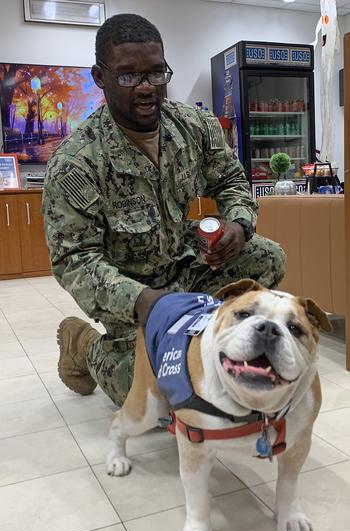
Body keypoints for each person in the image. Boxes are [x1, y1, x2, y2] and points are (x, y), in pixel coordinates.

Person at [42, 13, 285, 406]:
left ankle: (207, 343)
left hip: (188, 265)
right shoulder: (77, 162)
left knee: (266, 258)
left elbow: (231, 181)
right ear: (99, 76)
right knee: (150, 396)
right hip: (134, 296)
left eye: (157, 73)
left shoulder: (192, 126)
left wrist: (238, 225)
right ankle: (83, 344)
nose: (146, 89)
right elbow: (74, 260)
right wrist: (143, 301)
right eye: (128, 76)